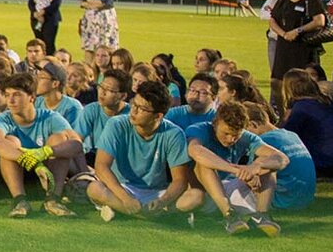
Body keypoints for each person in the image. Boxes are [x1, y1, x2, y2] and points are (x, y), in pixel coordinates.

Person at [86, 80, 204, 224]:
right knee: (94, 188)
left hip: (156, 192)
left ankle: (121, 210)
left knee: (196, 196)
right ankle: (155, 216)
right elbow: (101, 166)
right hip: (121, 187)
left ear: (158, 116)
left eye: (142, 108)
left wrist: (162, 201)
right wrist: (126, 198)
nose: (133, 110)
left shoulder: (173, 133)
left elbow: (180, 180)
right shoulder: (116, 124)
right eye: (134, 104)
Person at [0, 73, 84, 218]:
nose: (11, 100)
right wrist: (30, 160)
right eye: (7, 95)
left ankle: (52, 200)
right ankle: (20, 201)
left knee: (59, 139)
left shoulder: (50, 117)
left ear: (32, 97)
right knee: (11, 141)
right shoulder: (1, 120)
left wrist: (47, 151)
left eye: (17, 95)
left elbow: (76, 144)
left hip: (45, 179)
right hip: (9, 182)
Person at [186, 104, 290, 237]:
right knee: (203, 164)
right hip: (201, 192)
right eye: (226, 133)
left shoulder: (247, 137)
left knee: (268, 167)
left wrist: (255, 168)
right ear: (215, 123)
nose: (230, 139)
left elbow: (282, 158)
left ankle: (261, 216)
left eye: (236, 135)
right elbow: (195, 151)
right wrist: (235, 170)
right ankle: (229, 216)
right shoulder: (199, 130)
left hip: (228, 186)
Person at [268, 0, 328, 109]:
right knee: (276, 81)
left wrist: (297, 31)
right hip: (284, 46)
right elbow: (272, 19)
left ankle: (304, 111)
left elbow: (319, 20)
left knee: (301, 84)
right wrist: (283, 33)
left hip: (303, 46)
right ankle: (283, 115)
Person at [243, 102, 315, 211]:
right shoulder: (291, 135)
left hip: (282, 200)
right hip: (304, 199)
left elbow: (250, 176)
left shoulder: (264, 142)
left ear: (252, 125)